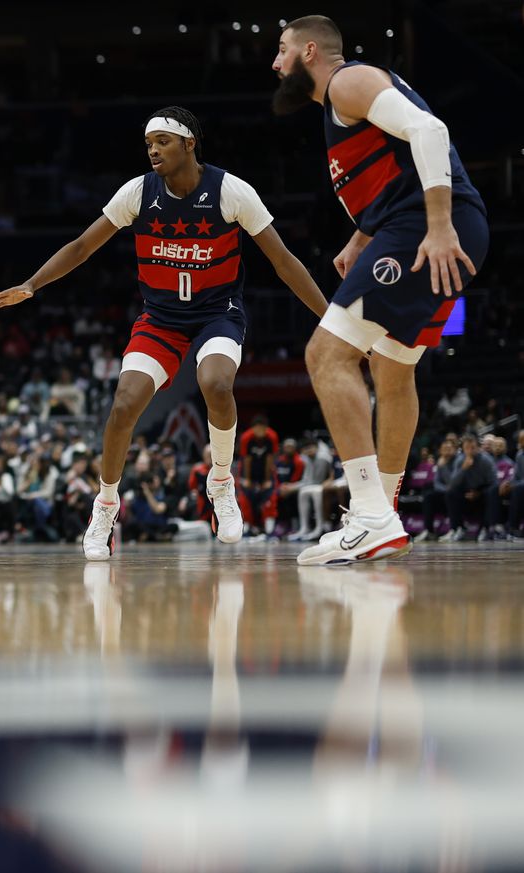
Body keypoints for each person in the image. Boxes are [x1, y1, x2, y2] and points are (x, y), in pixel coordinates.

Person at [0, 106, 327, 560]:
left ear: (190, 144)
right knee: (124, 402)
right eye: (149, 143)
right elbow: (83, 246)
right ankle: (105, 506)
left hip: (217, 312)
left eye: (162, 141)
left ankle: (221, 480)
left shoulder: (231, 190)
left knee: (216, 383)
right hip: (161, 317)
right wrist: (32, 284)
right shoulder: (138, 192)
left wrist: (329, 316)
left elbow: (283, 261)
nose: (153, 150)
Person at [272, 15, 489, 564]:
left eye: (282, 51)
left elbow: (430, 132)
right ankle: (384, 513)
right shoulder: (342, 105)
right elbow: (396, 172)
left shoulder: (347, 81)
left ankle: (370, 515)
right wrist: (361, 235)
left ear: (310, 52)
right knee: (392, 368)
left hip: (430, 227)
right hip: (427, 223)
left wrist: (439, 226)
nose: (276, 64)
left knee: (327, 353)